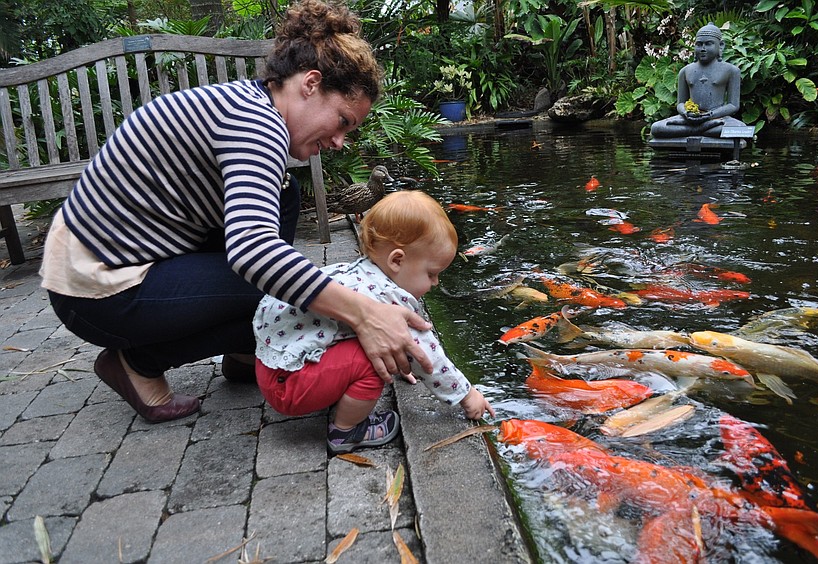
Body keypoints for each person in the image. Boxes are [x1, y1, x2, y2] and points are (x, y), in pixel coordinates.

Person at [38, 0, 434, 423]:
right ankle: (138, 362)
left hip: (130, 257)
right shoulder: (255, 124)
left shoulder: (252, 106)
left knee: (285, 196)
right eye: (342, 121)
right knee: (273, 291)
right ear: (310, 83)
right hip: (97, 289)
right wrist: (366, 313)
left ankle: (247, 351)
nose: (339, 141)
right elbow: (253, 253)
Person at [253, 190, 495, 453]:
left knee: (374, 342)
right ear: (397, 260)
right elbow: (428, 357)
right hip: (289, 388)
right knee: (373, 360)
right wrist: (466, 395)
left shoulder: (355, 273)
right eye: (432, 273)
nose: (436, 283)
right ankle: (346, 431)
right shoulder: (389, 299)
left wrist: (404, 364)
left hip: (269, 366)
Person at [650, 22, 745, 138]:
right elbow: (680, 103)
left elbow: (733, 105)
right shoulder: (685, 71)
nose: (703, 49)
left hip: (718, 118)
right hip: (690, 119)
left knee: (740, 129)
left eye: (708, 44)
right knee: (656, 128)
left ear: (720, 46)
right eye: (699, 44)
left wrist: (711, 115)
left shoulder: (731, 70)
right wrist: (686, 113)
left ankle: (696, 129)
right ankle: (703, 128)